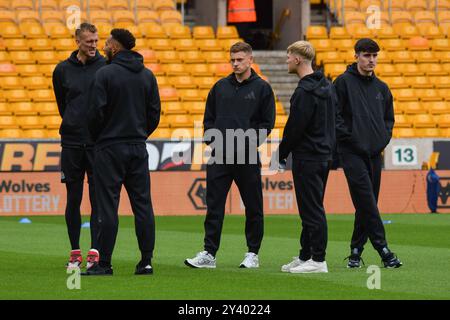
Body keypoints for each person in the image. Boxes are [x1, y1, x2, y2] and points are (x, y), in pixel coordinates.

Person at [185, 42, 275, 269]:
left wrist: (245, 142)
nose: (235, 64)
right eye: (232, 60)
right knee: (214, 206)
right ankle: (209, 253)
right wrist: (213, 139)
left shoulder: (263, 89)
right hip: (219, 156)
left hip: (247, 157)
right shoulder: (219, 87)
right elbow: (209, 119)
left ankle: (252, 253)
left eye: (240, 60)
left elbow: (267, 124)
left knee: (253, 206)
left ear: (250, 60)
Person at [84, 29, 161, 276]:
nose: (104, 46)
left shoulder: (104, 74)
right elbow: (154, 114)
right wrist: (139, 134)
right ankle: (146, 261)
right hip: (138, 148)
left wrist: (101, 138)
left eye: (107, 43)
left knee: (108, 206)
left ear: (115, 48)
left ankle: (104, 263)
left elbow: (95, 113)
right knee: (143, 206)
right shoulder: (148, 76)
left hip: (109, 148)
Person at [334, 38, 402, 268]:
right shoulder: (342, 83)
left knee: (367, 203)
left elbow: (388, 120)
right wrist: (350, 140)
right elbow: (335, 117)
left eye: (374, 55)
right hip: (351, 153)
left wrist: (382, 139)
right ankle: (384, 251)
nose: (371, 60)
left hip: (374, 154)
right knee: (367, 201)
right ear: (356, 56)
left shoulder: (382, 88)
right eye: (366, 55)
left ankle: (355, 252)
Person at [277, 41, 335, 274]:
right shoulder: (327, 86)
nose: (287, 60)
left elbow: (295, 127)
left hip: (307, 157)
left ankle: (318, 260)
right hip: (323, 155)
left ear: (298, 59)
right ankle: (306, 255)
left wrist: (281, 153)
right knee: (312, 207)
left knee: (311, 210)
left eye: (289, 56)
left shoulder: (303, 91)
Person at [52, 23, 106, 270]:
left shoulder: (106, 67)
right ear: (77, 42)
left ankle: (95, 250)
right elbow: (63, 105)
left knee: (97, 199)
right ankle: (75, 251)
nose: (94, 45)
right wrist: (74, 123)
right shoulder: (62, 70)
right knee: (73, 198)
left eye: (96, 41)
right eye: (89, 42)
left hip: (97, 144)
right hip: (72, 142)